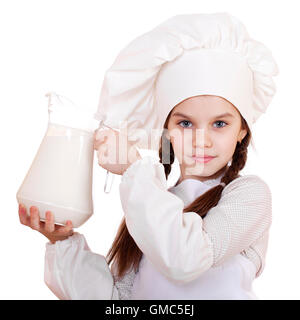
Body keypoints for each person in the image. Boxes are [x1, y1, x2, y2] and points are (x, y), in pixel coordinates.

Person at [18, 12, 279, 300]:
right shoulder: (151, 202)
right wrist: (62, 240)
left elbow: (186, 258)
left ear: (242, 129)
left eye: (220, 123)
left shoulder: (248, 196)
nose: (201, 140)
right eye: (185, 123)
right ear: (165, 131)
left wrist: (133, 168)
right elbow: (117, 300)